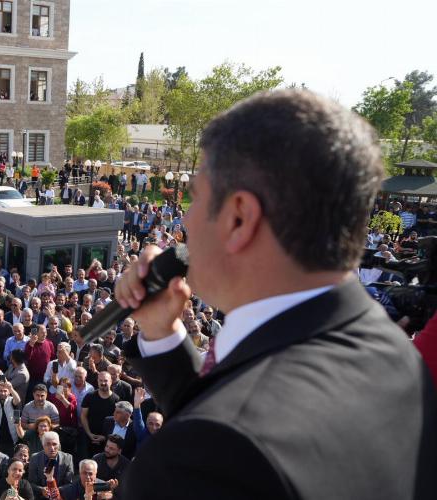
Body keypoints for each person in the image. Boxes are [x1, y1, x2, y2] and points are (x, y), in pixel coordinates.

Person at [114, 90, 437, 498]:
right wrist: (162, 335)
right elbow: (245, 412)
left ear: (239, 217)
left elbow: (230, 437)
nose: (185, 219)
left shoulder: (196, 465)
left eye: (195, 196)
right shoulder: (401, 358)